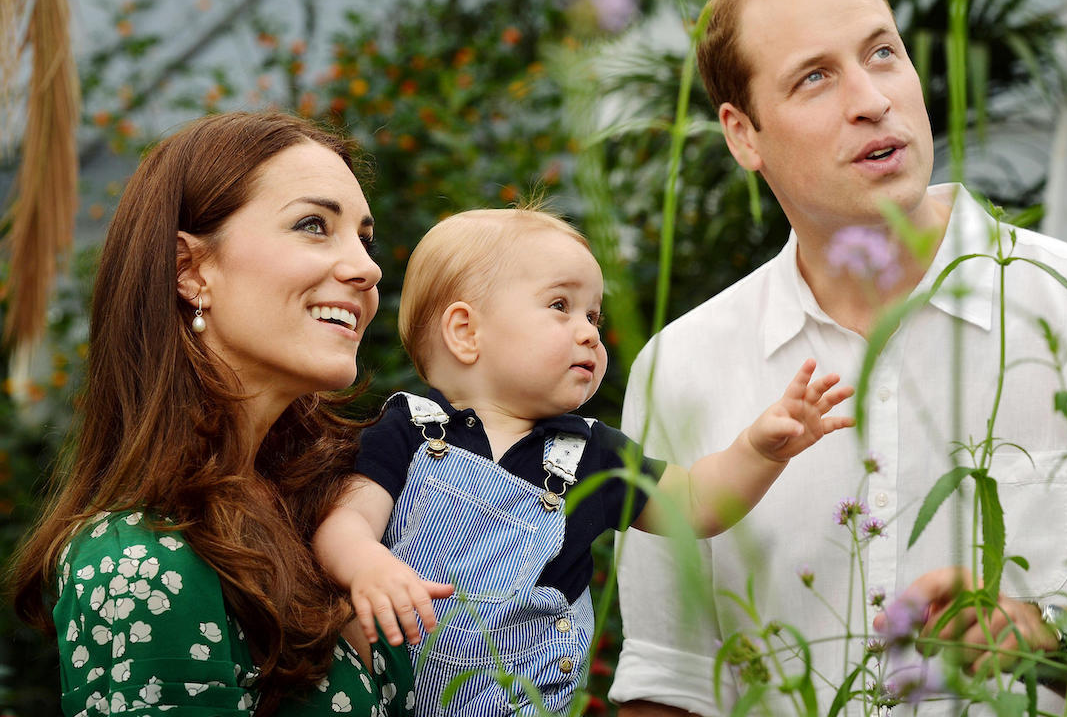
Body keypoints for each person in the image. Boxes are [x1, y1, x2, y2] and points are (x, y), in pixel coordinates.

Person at [610, 0, 1067, 716]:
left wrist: (1041, 635)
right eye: (814, 77)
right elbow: (670, 684)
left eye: (882, 53)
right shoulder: (681, 367)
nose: (870, 100)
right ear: (743, 135)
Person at [311, 206, 856, 715]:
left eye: (593, 315)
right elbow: (347, 521)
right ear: (466, 331)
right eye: (560, 306)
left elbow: (695, 503)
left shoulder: (591, 452)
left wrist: (758, 451)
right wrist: (369, 566)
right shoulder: (410, 427)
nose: (590, 332)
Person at [8, 111, 417, 715]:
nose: (367, 267)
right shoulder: (141, 559)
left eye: (365, 237)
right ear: (190, 270)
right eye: (313, 225)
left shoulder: (335, 520)